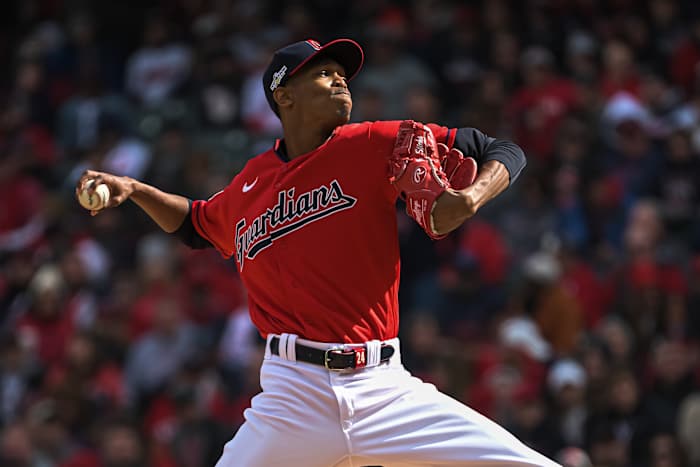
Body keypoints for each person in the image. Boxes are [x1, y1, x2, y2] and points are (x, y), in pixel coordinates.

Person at [76, 38, 560, 467]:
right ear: (283, 95)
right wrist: (135, 189)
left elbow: (497, 147)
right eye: (323, 73)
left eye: (342, 74)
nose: (340, 82)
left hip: (384, 389)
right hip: (292, 397)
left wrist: (471, 196)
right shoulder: (250, 184)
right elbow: (196, 224)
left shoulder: (374, 142)